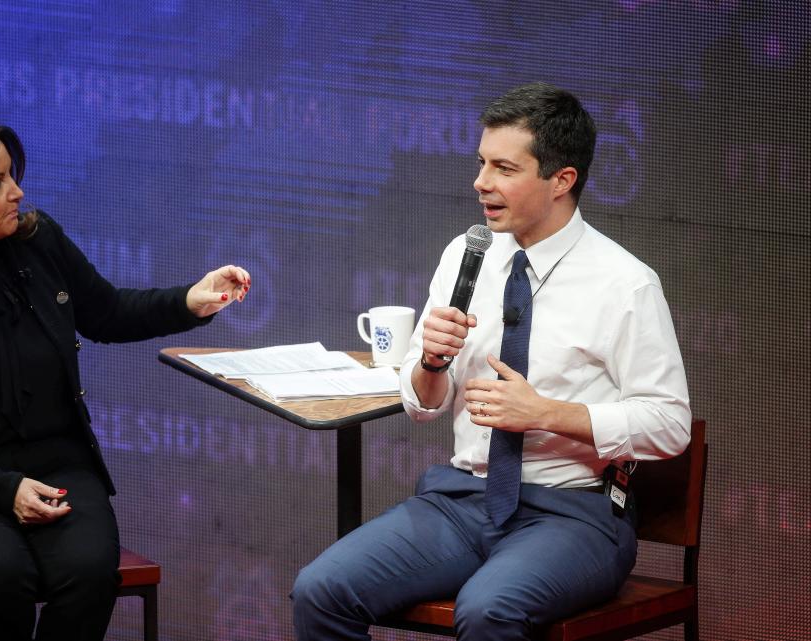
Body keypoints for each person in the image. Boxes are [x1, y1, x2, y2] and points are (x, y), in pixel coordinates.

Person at [291, 83, 691, 640]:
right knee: (321, 590)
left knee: (488, 610)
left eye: (504, 168)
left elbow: (670, 426)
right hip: (461, 501)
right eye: (481, 163)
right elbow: (423, 408)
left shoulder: (625, 284)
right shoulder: (467, 253)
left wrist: (548, 413)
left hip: (573, 513)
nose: (481, 183)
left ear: (561, 180)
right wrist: (430, 364)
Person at [0, 118, 251, 641]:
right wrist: (2, 490)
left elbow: (108, 313)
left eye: (10, 176)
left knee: (88, 572)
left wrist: (189, 300)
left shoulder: (38, 242)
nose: (17, 191)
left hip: (52, 464)